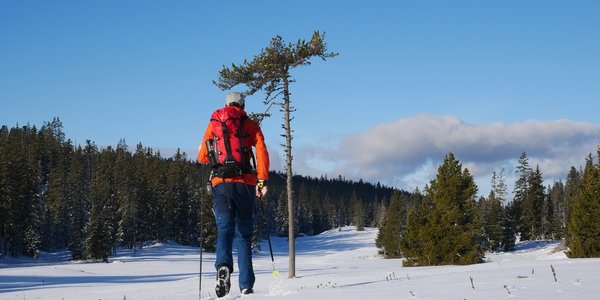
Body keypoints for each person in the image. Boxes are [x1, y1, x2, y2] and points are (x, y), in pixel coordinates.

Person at [197, 91, 270, 297]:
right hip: (245, 185)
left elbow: (202, 155)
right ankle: (246, 286)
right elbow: (261, 151)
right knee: (244, 236)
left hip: (221, 185)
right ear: (243, 105)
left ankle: (223, 267)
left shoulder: (214, 123)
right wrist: (262, 179)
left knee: (225, 230)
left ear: (226, 104)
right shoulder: (250, 124)